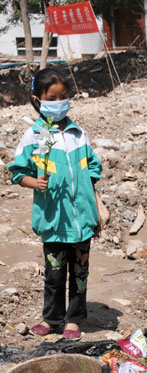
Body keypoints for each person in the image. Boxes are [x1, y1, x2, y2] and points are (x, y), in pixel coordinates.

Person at [8, 67, 103, 340]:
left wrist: (94, 209)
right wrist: (34, 183)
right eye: (53, 96)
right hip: (54, 220)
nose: (60, 102)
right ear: (38, 99)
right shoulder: (34, 136)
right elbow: (18, 172)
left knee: (80, 273)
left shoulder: (77, 134)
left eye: (64, 96)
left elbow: (93, 169)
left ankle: (73, 319)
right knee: (54, 274)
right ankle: (51, 319)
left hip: (82, 220)